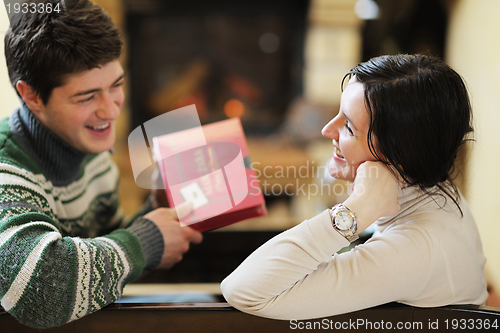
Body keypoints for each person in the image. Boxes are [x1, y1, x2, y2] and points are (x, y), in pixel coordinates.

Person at [221, 54, 488, 320]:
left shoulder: (418, 247)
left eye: (348, 126)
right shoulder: (434, 185)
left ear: (400, 155)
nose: (327, 130)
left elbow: (242, 290)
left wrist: (353, 212)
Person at [0, 0, 202, 329]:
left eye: (117, 86)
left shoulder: (91, 152)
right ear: (32, 96)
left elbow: (102, 252)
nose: (110, 111)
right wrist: (148, 241)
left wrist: (155, 209)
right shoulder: (7, 171)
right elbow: (43, 290)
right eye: (87, 96)